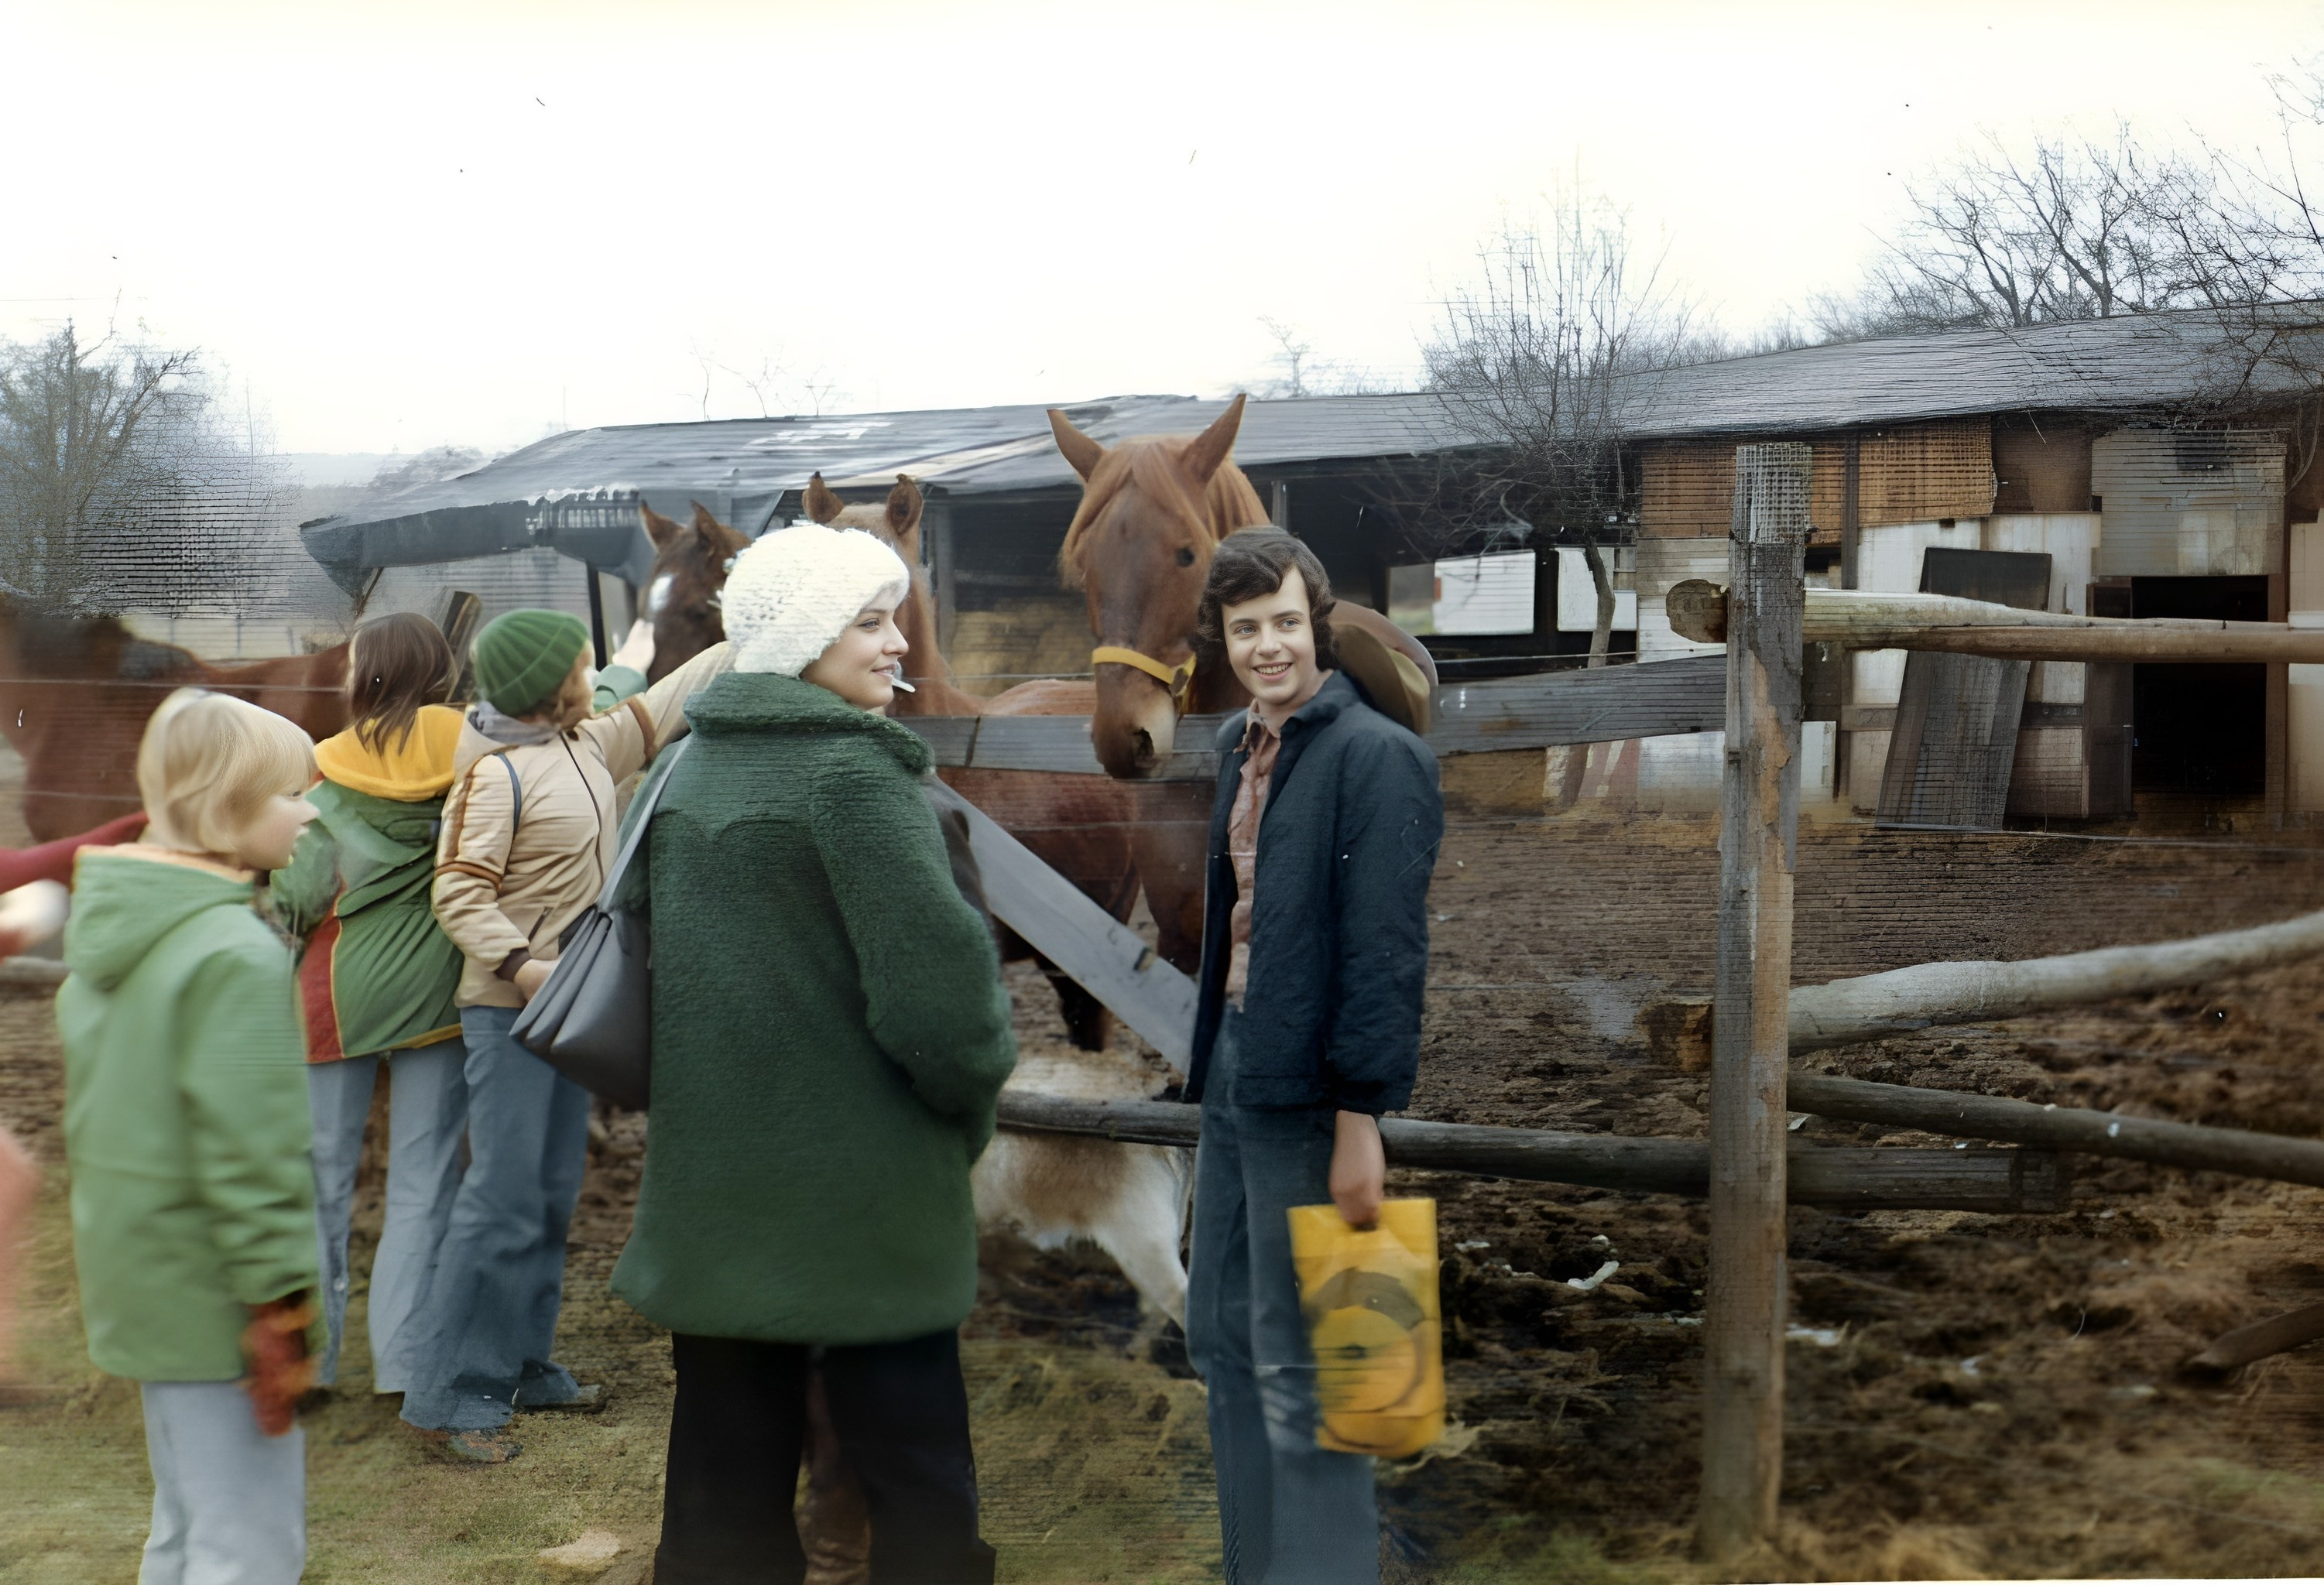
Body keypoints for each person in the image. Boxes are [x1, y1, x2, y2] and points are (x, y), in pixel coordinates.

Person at [611, 522, 1016, 1584]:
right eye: (870, 623)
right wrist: (962, 1122)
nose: (899, 644)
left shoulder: (680, 771)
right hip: (865, 1207)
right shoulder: (856, 780)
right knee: (916, 1492)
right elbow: (947, 1020)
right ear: (800, 637)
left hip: (712, 1199)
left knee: (719, 1502)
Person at [1180, 529, 1443, 1585]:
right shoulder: (1237, 748)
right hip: (1234, 1070)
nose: (1268, 646)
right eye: (1246, 628)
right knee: (1219, 1338)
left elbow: (1383, 955)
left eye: (1285, 622)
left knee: (1316, 1364)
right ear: (1223, 637)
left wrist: (1359, 1119)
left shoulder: (1375, 758)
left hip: (1311, 1091)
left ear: (1316, 625)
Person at [406, 609, 725, 1461]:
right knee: (501, 1197)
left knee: (548, 1192)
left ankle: (521, 1363)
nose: (594, 672)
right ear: (551, 686)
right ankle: (451, 1397)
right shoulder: (494, 777)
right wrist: (519, 965)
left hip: (566, 1008)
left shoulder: (588, 745)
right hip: (511, 1011)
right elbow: (457, 891)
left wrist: (767, 625)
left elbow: (669, 696)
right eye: (583, 664)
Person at [56, 688, 326, 1585]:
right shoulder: (233, 954)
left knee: (183, 1527)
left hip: (142, 1278)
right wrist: (279, 1308)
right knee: (248, 1547)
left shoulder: (120, 932)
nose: (312, 812)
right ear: (227, 804)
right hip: (221, 1300)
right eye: (292, 793)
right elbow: (253, 1159)